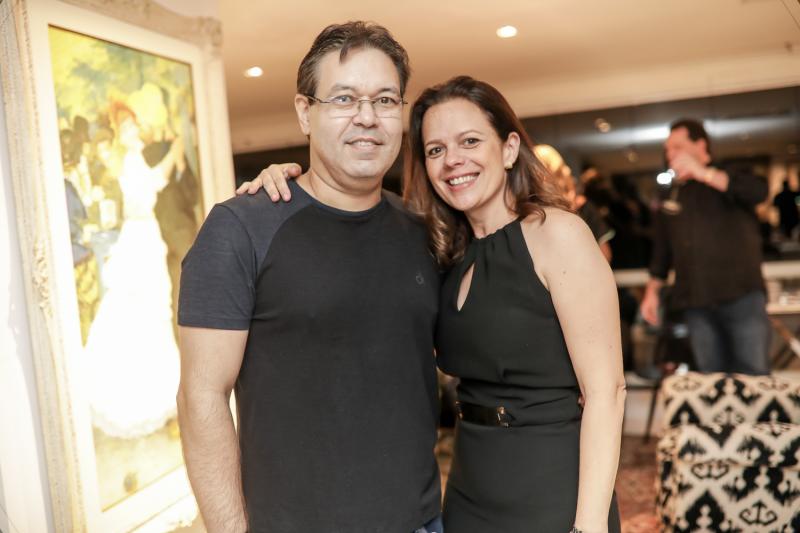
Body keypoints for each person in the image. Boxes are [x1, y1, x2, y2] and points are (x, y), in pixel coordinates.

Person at [246, 76, 625, 533]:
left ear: (509, 149)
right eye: (435, 150)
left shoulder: (556, 234)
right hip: (469, 489)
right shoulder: (446, 253)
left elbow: (607, 392)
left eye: (470, 141)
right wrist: (285, 183)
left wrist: (589, 525)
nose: (453, 160)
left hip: (552, 483)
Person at [177, 22, 443, 533]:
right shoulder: (242, 228)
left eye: (385, 100)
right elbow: (200, 397)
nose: (367, 117)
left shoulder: (420, 231)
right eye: (344, 99)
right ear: (305, 112)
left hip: (420, 521)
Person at [640, 118, 770, 374]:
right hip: (696, 301)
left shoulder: (730, 173)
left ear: (701, 145)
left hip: (741, 296)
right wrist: (651, 292)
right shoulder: (672, 193)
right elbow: (662, 251)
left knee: (753, 374)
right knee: (709, 378)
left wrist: (703, 173)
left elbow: (758, 192)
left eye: (677, 147)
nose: (670, 154)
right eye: (667, 149)